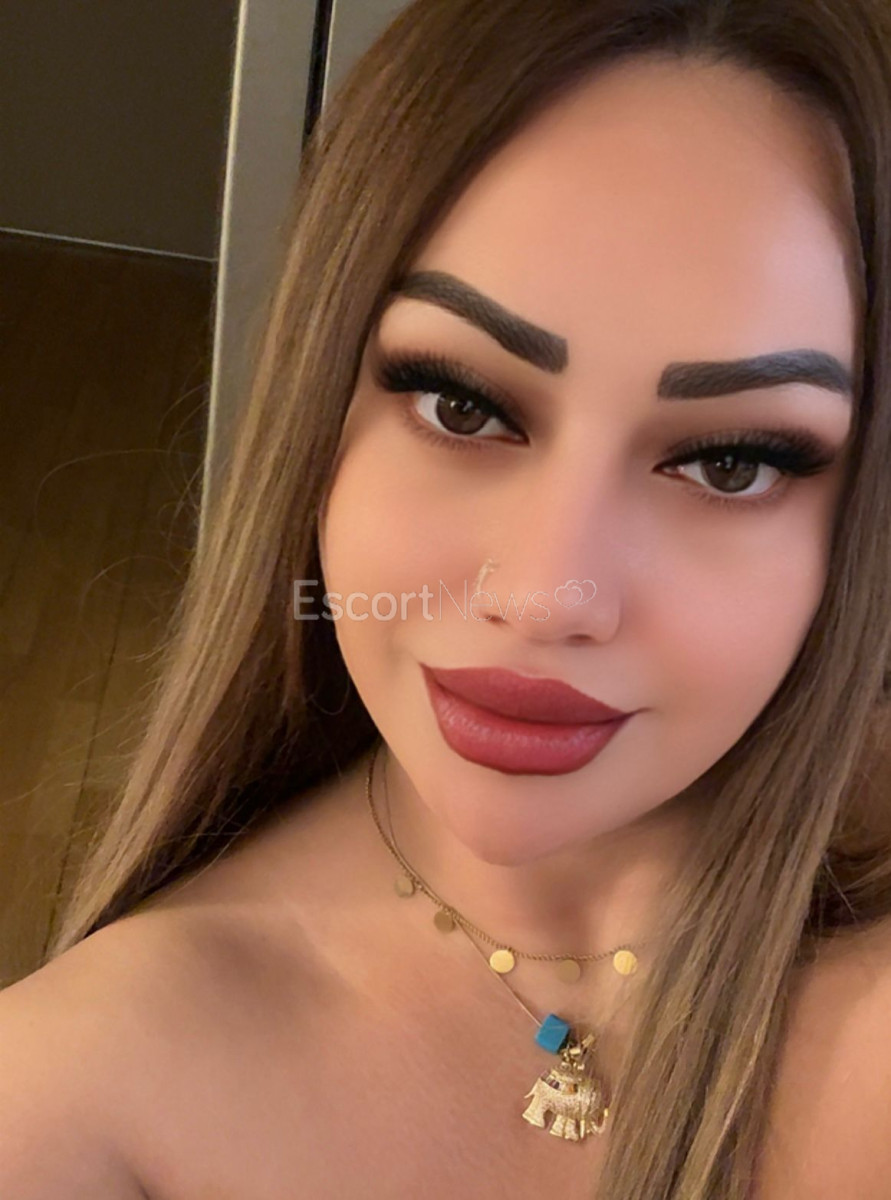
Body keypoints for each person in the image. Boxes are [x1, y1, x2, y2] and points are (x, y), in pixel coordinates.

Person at [3, 0, 891, 1196]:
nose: (546, 595)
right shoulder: (77, 1103)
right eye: (462, 405)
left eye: (731, 463)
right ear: (322, 402)